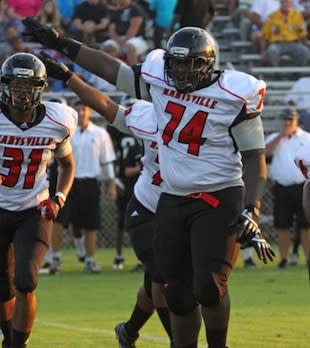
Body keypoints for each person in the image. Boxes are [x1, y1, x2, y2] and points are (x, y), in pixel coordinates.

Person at [22, 21, 275, 348]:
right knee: (178, 294)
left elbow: (255, 156)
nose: (179, 72)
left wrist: (251, 207)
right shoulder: (158, 81)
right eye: (175, 63)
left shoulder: (233, 94)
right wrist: (62, 43)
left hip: (218, 195)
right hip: (171, 198)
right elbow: (112, 69)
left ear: (207, 65)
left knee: (209, 288)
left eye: (189, 64)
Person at [38, 52, 174, 346]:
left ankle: (129, 330)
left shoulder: (207, 113)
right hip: (149, 206)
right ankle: (180, 340)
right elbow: (105, 104)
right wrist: (69, 77)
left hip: (182, 208)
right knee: (164, 280)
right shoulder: (146, 115)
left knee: (157, 281)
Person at [0, 52, 77, 348]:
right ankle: (9, 338)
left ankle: (18, 345)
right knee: (3, 289)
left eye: (28, 86)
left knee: (26, 280)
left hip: (34, 210)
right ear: (6, 87)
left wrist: (59, 198)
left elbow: (67, 165)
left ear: (40, 88)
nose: (21, 92)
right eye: (16, 85)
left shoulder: (58, 120)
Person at [70, 99, 117, 273]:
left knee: (91, 224)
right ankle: (79, 250)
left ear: (89, 111)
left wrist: (111, 184)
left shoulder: (100, 133)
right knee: (71, 223)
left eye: (84, 109)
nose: (81, 112)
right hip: (70, 182)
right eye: (78, 109)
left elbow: (107, 161)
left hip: (90, 182)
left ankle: (89, 260)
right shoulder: (68, 131)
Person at [265, 107, 310, 269]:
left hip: (302, 186)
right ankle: (283, 259)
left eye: (290, 119)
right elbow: (265, 154)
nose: (287, 122)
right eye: (284, 119)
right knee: (283, 225)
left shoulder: (306, 137)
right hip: (282, 187)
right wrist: (281, 136)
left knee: (306, 225)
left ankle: (308, 259)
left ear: (296, 121)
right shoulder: (274, 138)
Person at [108, 126, 142, 270]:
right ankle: (123, 256)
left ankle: (120, 256)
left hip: (132, 184)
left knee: (125, 224)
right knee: (128, 223)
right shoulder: (132, 136)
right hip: (134, 184)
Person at [260, 0, 310, 66]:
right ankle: (275, 73)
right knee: (271, 51)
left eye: (288, 2)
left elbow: (302, 34)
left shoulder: (297, 15)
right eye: (284, 2)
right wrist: (263, 51)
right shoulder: (272, 16)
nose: (286, 4)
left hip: (294, 43)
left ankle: (297, 73)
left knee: (305, 52)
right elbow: (264, 35)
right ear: (280, 3)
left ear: (291, 4)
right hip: (277, 44)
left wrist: (306, 45)